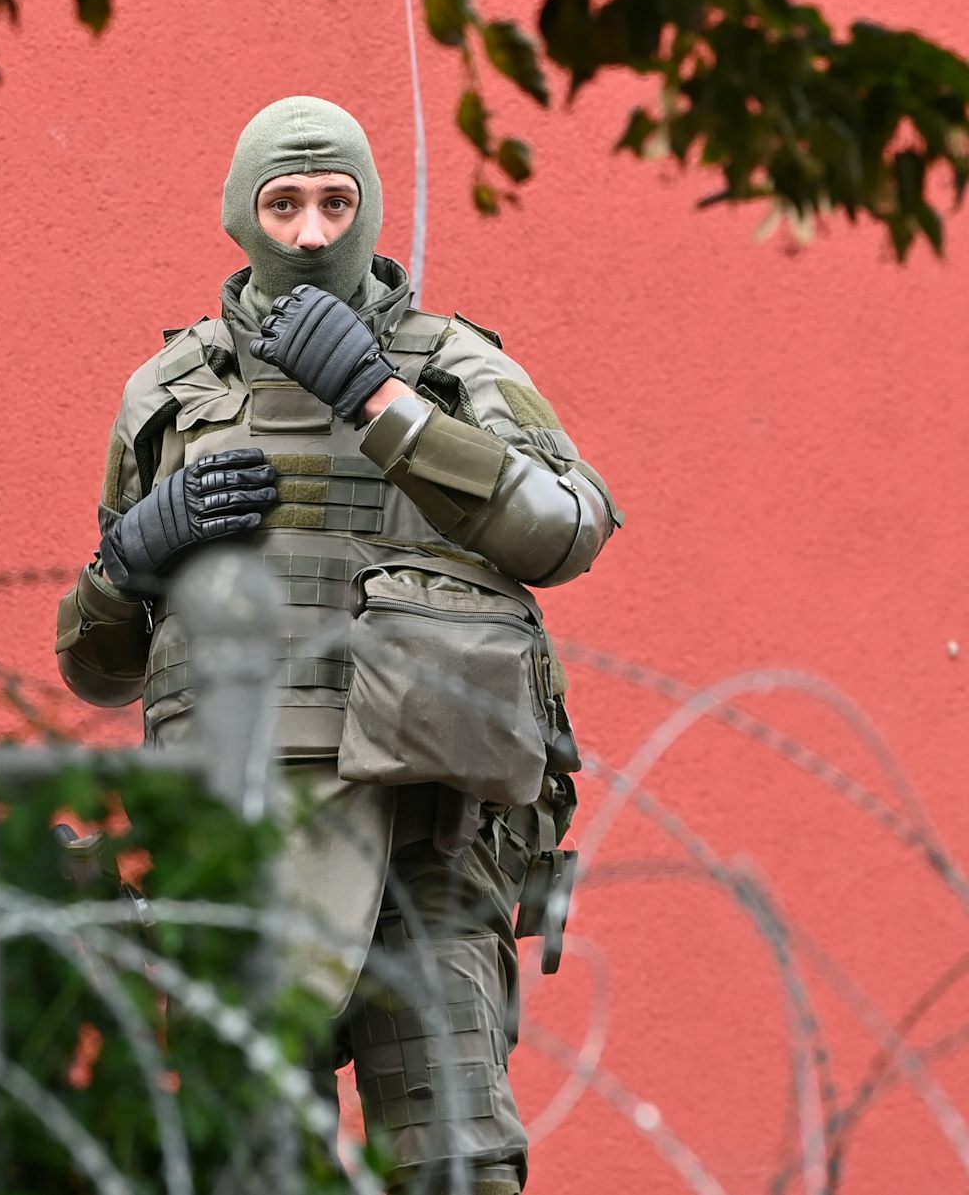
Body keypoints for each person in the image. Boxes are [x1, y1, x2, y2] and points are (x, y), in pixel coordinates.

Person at [53, 97, 622, 1193]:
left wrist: (380, 399)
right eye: (283, 203)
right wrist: (133, 559)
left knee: (457, 1160)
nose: (310, 233)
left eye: (334, 202)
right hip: (240, 851)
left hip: (431, 841)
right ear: (240, 215)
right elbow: (97, 663)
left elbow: (566, 527)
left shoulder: (452, 367)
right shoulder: (171, 397)